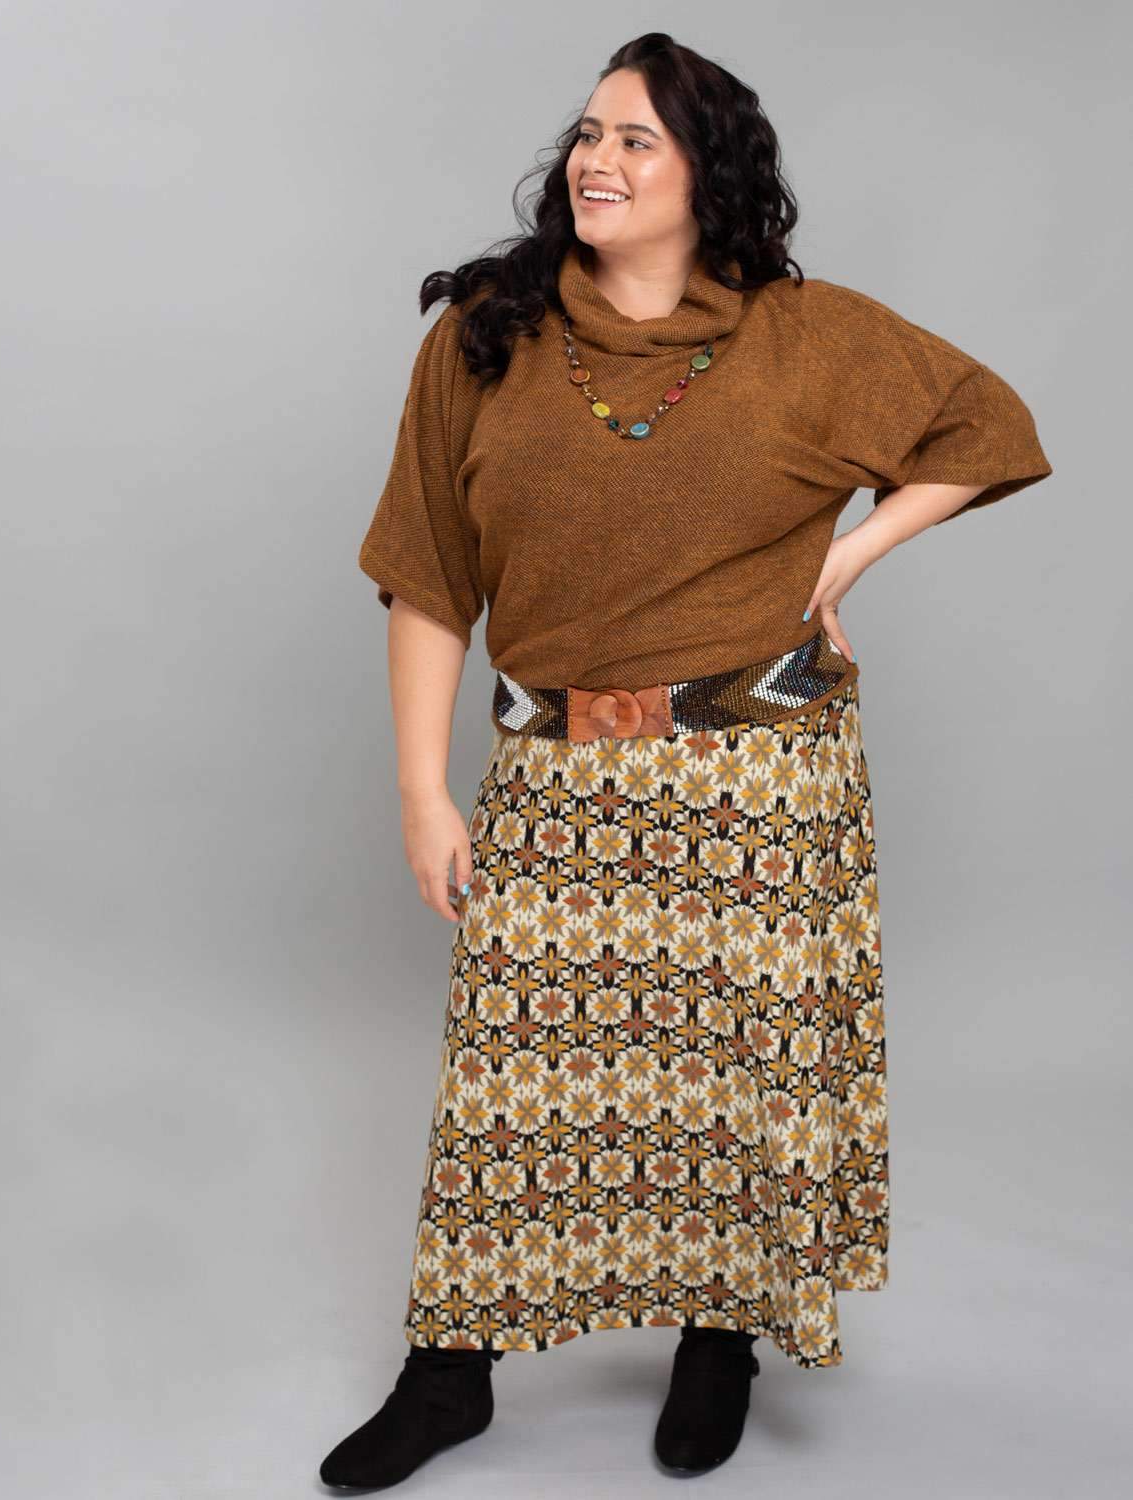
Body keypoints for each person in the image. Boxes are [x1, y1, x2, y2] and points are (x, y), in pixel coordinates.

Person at [319, 30, 1052, 1491]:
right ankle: (449, 1373)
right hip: (558, 769)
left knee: (737, 1075)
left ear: (708, 174)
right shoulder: (487, 337)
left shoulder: (808, 337)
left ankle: (721, 1343)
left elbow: (992, 426)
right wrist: (420, 788)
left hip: (761, 774)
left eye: (635, 138)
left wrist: (853, 551)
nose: (595, 159)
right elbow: (428, 577)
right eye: (589, 133)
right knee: (512, 1085)